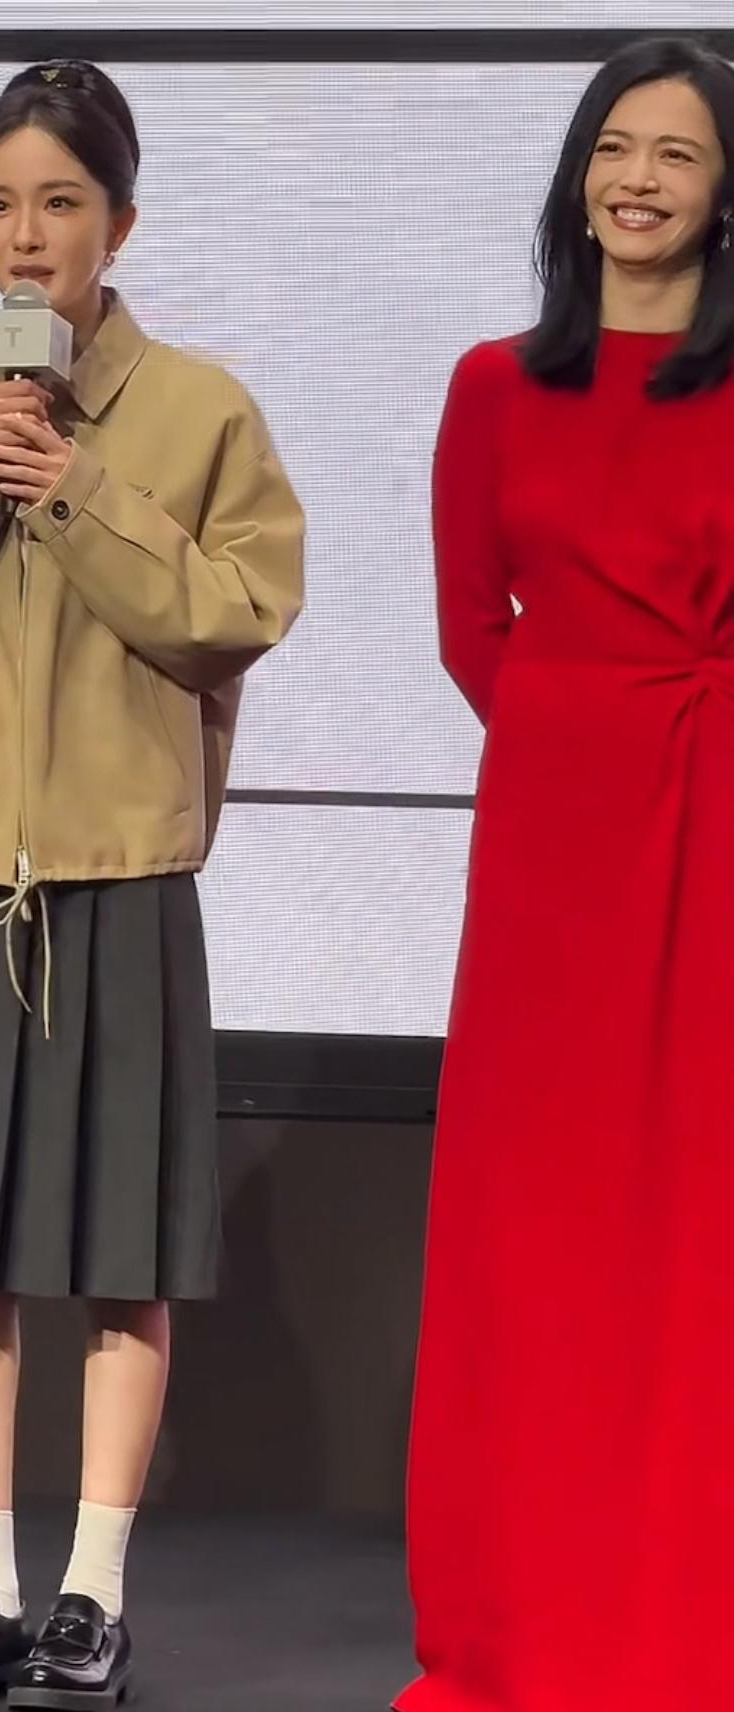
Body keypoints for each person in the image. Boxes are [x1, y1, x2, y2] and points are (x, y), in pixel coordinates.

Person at [0, 58, 302, 1711]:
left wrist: (83, 489)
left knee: (122, 1255)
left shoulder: (202, 408)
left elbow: (234, 615)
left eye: (60, 204)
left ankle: (92, 1594)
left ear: (122, 223)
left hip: (117, 875)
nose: (26, 237)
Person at [399, 35, 734, 1712]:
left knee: (693, 1222)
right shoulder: (491, 385)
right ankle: (521, 1622)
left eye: (677, 152)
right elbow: (473, 627)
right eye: (615, 145)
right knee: (537, 1226)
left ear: (726, 193)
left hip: (719, 820)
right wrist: (577, 736)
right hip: (553, 839)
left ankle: (680, 1619)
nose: (639, 179)